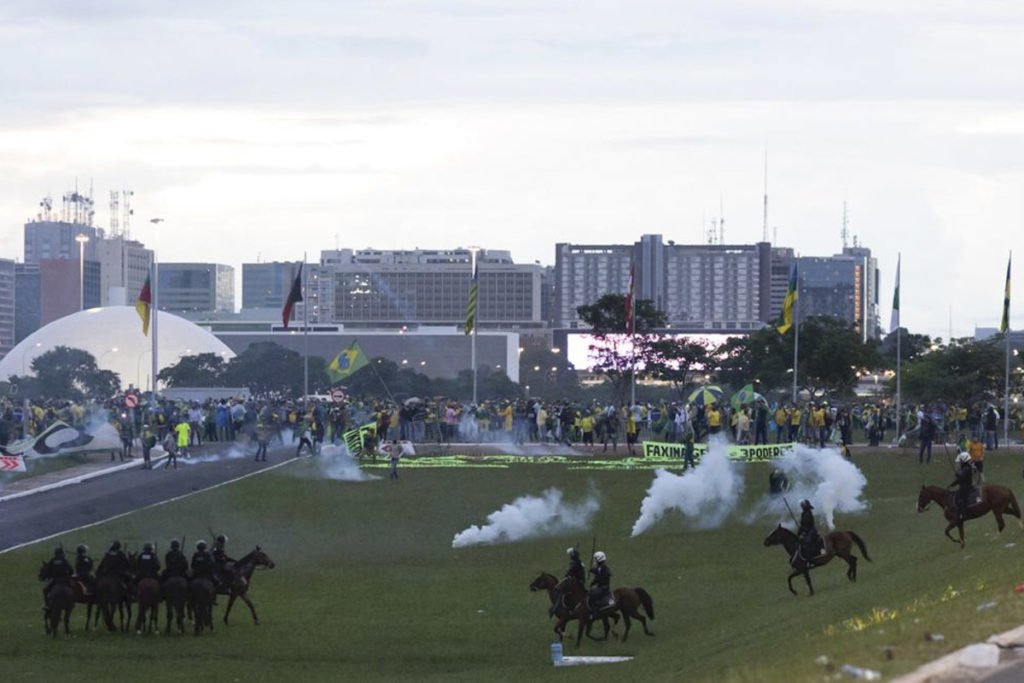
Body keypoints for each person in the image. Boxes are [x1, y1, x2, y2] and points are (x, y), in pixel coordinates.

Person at [40, 546, 73, 612]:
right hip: (65, 580)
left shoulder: (53, 560)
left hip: (55, 580)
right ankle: (72, 603)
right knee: (73, 589)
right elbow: (71, 570)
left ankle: (47, 604)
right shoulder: (64, 560)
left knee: (45, 590)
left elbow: (49, 570)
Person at [950, 451, 975, 521]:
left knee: (960, 500)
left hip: (966, 487)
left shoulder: (966, 468)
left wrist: (957, 474)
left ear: (963, 460)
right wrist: (952, 484)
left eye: (960, 460)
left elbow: (961, 477)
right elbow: (959, 479)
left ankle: (963, 515)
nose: (960, 462)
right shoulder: (965, 467)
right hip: (965, 485)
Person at [588, 551, 613, 619]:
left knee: (593, 595)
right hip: (599, 587)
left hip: (604, 588)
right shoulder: (599, 568)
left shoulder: (605, 568)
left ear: (599, 559)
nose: (595, 561)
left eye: (595, 559)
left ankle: (595, 613)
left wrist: (597, 575)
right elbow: (596, 572)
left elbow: (607, 574)